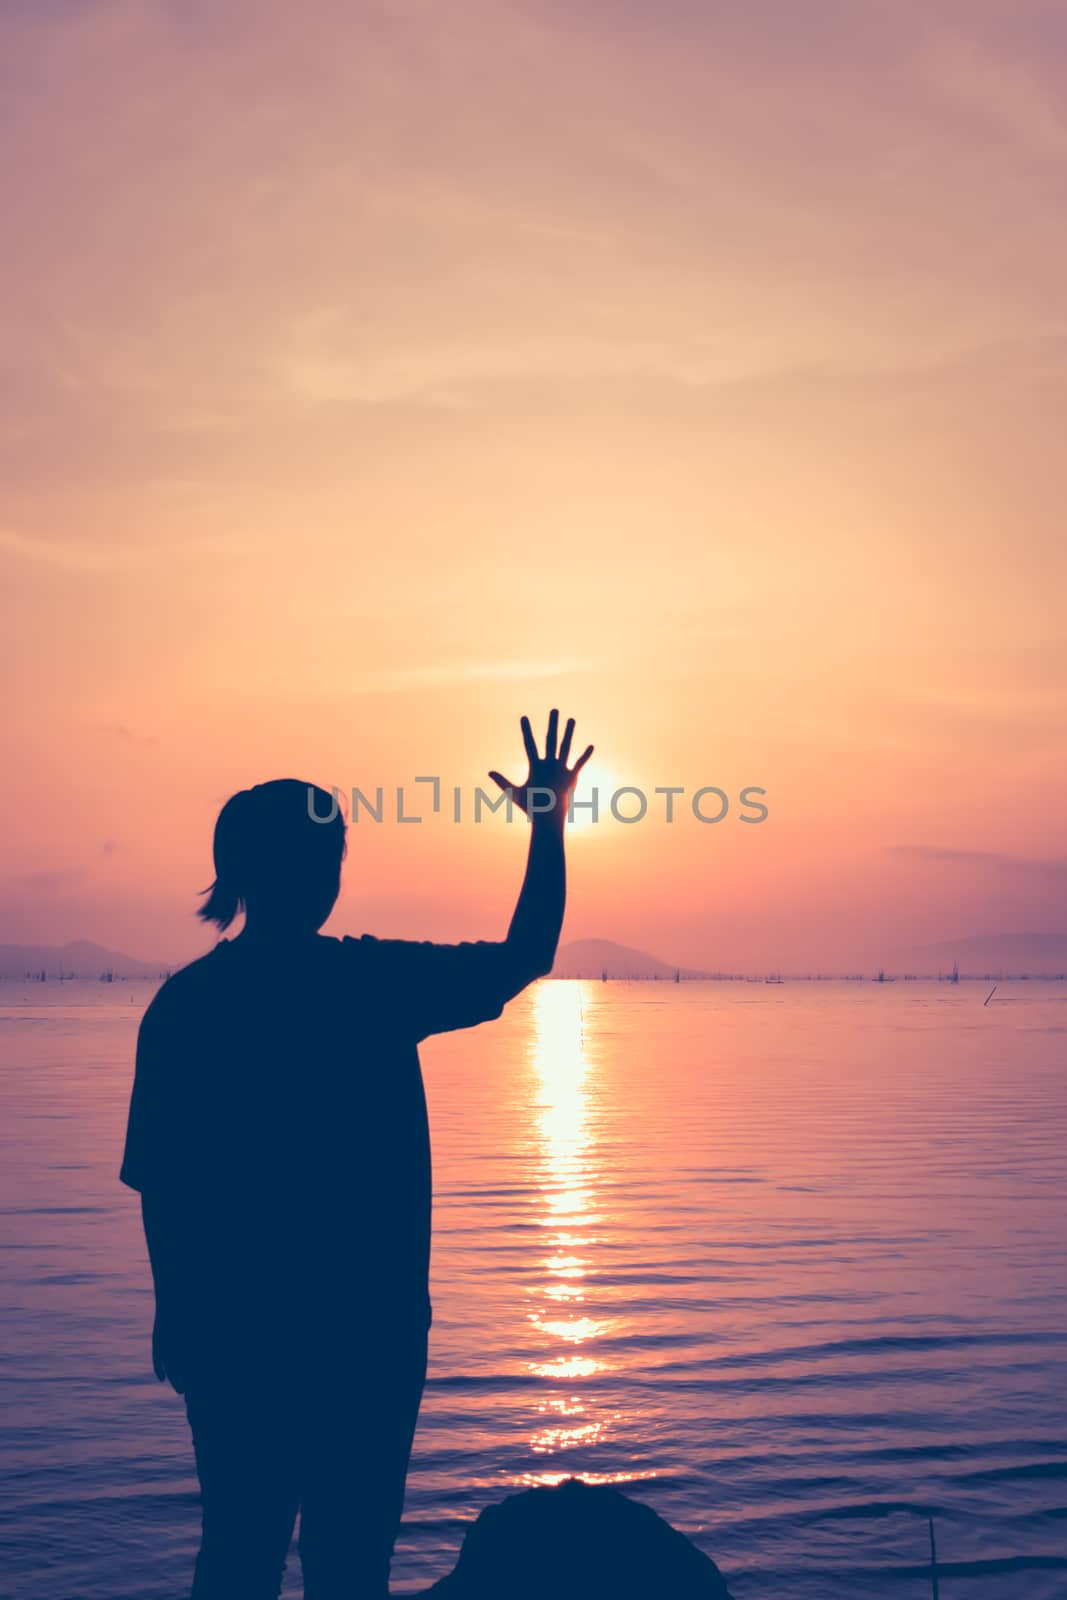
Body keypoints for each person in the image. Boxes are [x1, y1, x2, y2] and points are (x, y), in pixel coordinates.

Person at [120, 711, 592, 1600]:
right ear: (301, 873)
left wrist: (173, 1306)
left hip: (235, 1330)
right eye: (325, 858)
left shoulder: (188, 1005)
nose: (330, 875)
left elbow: (161, 1183)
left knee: (239, 1552)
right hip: (364, 1334)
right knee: (346, 1562)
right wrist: (545, 822)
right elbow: (527, 954)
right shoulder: (369, 984)